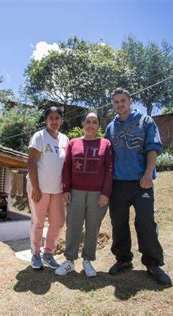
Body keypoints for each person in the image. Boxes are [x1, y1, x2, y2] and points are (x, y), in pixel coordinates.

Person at [104, 87, 172, 286]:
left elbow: (153, 148)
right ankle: (123, 259)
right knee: (118, 222)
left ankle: (152, 264)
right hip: (118, 184)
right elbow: (108, 156)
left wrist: (147, 174)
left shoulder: (145, 121)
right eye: (116, 102)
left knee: (145, 222)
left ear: (130, 101)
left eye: (123, 100)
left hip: (141, 182)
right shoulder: (111, 127)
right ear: (113, 104)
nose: (120, 104)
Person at [55, 112, 113, 277]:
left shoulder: (105, 144)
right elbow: (66, 167)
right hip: (75, 193)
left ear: (99, 126)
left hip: (97, 194)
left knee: (93, 227)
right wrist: (66, 189)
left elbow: (109, 169)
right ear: (83, 124)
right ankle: (69, 261)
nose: (91, 125)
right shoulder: (74, 143)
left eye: (95, 122)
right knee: (73, 226)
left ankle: (88, 260)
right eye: (88, 121)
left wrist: (106, 193)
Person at [27, 106, 69, 270]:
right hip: (40, 189)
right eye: (50, 118)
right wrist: (36, 188)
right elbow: (31, 163)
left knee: (58, 222)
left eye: (57, 118)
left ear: (61, 120)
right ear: (46, 120)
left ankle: (48, 253)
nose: (54, 121)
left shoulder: (65, 140)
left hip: (58, 190)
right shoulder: (39, 136)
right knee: (38, 222)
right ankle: (36, 254)